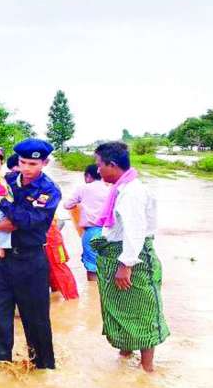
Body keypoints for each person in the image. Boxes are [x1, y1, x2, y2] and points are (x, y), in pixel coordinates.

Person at [0, 139, 61, 370]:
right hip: (1, 260)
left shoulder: (49, 190)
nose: (26, 168)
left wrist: (2, 202)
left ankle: (43, 369)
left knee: (36, 319)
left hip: (30, 260)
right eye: (23, 162)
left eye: (33, 164)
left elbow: (29, 221)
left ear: (45, 163)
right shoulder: (5, 181)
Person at [92, 142, 168, 373]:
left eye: (99, 165)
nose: (97, 170)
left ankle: (147, 369)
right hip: (119, 253)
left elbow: (135, 230)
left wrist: (126, 264)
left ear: (112, 165)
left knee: (142, 310)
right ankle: (125, 356)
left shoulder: (132, 193)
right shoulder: (121, 189)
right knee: (121, 308)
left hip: (133, 257)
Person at [63, 164, 110, 281]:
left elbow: (67, 205)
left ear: (88, 176)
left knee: (92, 267)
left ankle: (93, 290)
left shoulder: (83, 188)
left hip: (92, 232)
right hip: (110, 232)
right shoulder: (110, 189)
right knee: (108, 266)